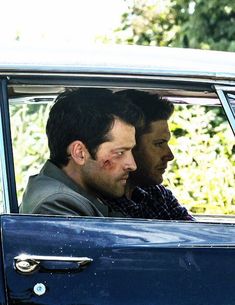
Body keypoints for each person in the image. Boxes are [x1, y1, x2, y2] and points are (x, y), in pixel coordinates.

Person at [20, 88, 143, 217]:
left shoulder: (78, 195)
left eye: (131, 150)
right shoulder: (56, 206)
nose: (132, 165)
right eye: (119, 152)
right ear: (79, 153)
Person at [105, 89, 194, 221]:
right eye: (159, 143)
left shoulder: (158, 194)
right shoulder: (104, 207)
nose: (169, 156)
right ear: (129, 144)